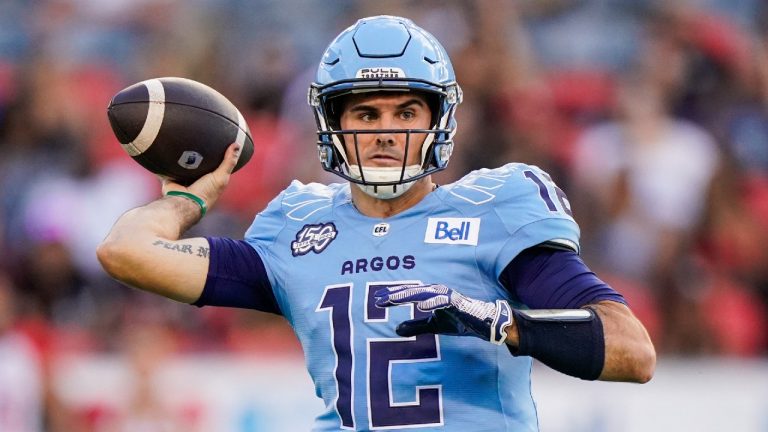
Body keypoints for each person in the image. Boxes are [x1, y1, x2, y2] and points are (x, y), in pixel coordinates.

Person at [98, 15, 655, 431]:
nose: (386, 131)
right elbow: (125, 251)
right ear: (332, 125)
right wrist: (188, 202)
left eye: (406, 112)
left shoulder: (496, 207)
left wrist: (493, 320)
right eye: (366, 114)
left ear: (439, 120)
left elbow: (633, 353)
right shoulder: (296, 226)